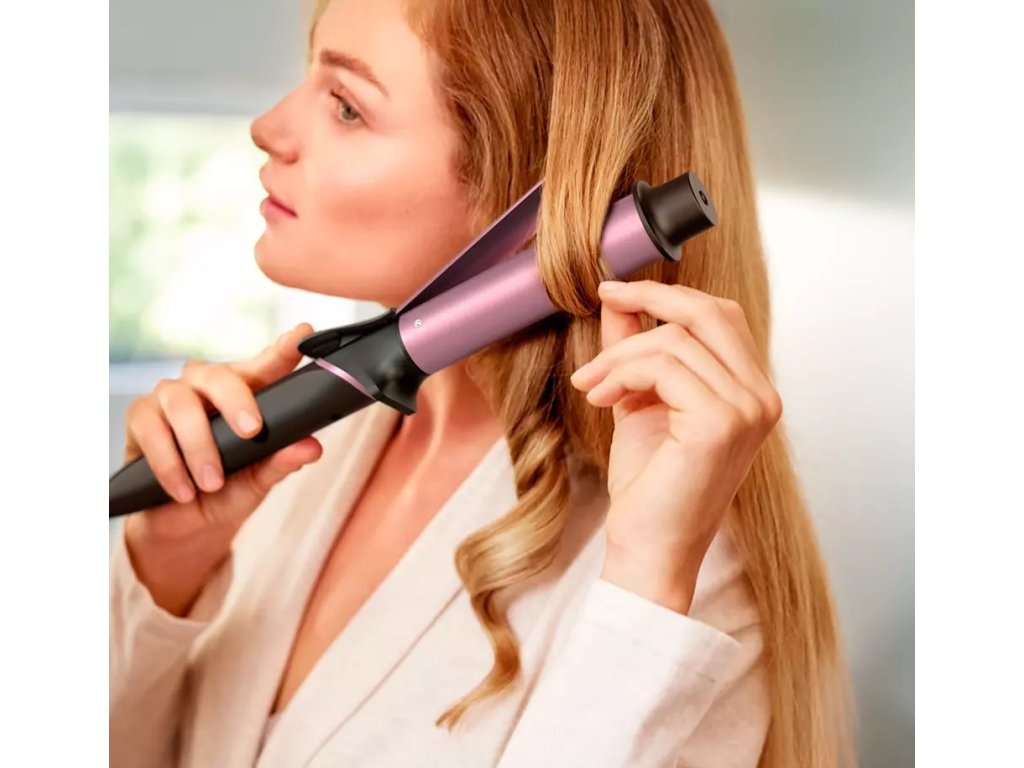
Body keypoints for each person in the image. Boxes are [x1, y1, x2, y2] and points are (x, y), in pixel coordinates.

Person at [109, 0, 855, 766]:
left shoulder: (677, 583)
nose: (268, 127)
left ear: (524, 189)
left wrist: (645, 588)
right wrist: (166, 564)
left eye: (347, 106)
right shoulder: (294, 452)